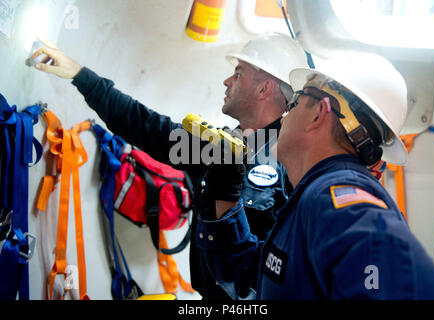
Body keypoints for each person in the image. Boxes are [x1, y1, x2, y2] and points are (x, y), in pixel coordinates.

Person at [31, 33, 309, 300]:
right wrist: (80, 76)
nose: (226, 81)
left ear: (264, 88)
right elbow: (144, 125)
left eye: (238, 73)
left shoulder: (295, 162)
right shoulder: (215, 148)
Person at [196, 53, 434, 299]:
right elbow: (253, 279)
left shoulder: (341, 201)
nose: (284, 117)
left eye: (293, 104)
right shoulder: (312, 195)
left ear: (318, 113)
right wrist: (225, 196)